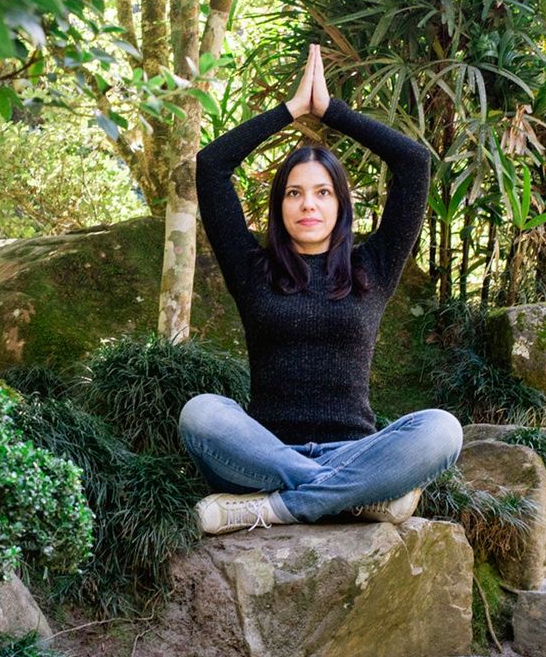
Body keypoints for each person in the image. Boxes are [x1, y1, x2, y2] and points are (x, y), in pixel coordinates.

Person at [181, 43, 462, 535]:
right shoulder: (253, 268)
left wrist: (333, 111)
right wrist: (292, 111)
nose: (307, 204)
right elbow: (212, 165)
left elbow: (414, 164)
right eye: (294, 192)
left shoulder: (372, 266)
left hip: (354, 448)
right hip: (266, 452)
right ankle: (354, 497)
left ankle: (276, 508)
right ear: (279, 205)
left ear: (340, 204)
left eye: (322, 192)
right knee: (201, 414)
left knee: (442, 429)